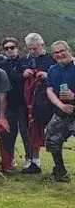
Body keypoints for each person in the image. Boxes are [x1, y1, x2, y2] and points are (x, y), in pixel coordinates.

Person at [20, 32, 56, 174]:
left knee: (53, 133)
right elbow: (16, 77)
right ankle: (35, 163)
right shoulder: (24, 60)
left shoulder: (51, 59)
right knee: (33, 130)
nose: (33, 51)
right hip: (31, 102)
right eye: (30, 49)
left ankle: (56, 164)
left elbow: (58, 76)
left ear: (42, 45)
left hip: (49, 102)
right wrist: (23, 73)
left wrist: (48, 75)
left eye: (35, 48)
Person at [44, 40, 75, 182]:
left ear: (69, 50)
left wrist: (73, 96)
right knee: (52, 140)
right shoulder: (52, 69)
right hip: (62, 112)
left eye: (62, 50)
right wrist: (61, 105)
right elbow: (49, 90)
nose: (60, 54)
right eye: (56, 52)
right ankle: (60, 173)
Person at [0, 37, 30, 169]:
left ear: (17, 48)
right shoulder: (1, 64)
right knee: (9, 133)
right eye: (6, 48)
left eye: (12, 47)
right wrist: (20, 76)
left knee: (25, 131)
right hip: (8, 103)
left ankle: (30, 159)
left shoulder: (25, 62)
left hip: (23, 103)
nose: (9, 50)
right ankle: (9, 159)